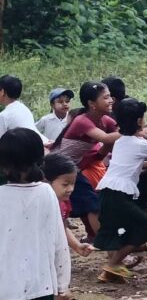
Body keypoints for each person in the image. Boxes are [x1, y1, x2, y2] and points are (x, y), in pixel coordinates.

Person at [0, 129, 71, 300]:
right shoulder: (46, 193)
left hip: (4, 282)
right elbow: (58, 240)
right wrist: (62, 281)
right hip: (36, 284)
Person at [93, 99, 147, 283]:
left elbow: (138, 163)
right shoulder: (142, 144)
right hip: (120, 194)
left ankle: (111, 271)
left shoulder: (121, 141)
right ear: (139, 121)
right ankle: (114, 263)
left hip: (106, 190)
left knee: (118, 229)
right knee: (146, 227)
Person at [52, 82, 120, 241]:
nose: (111, 100)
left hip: (71, 168)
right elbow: (107, 138)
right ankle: (108, 246)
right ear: (91, 104)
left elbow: (116, 138)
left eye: (110, 96)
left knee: (88, 202)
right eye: (106, 97)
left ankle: (95, 237)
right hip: (58, 169)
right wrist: (132, 130)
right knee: (91, 204)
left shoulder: (105, 120)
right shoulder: (83, 121)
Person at [43, 153, 94, 300]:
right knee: (61, 296)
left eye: (73, 184)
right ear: (46, 181)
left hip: (53, 257)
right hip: (40, 259)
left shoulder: (63, 203)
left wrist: (77, 246)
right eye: (65, 184)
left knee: (61, 295)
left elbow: (62, 227)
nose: (70, 189)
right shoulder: (41, 203)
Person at [0, 75, 39, 139]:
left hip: (21, 147)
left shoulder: (4, 115)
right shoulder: (24, 109)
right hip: (38, 143)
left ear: (2, 92)